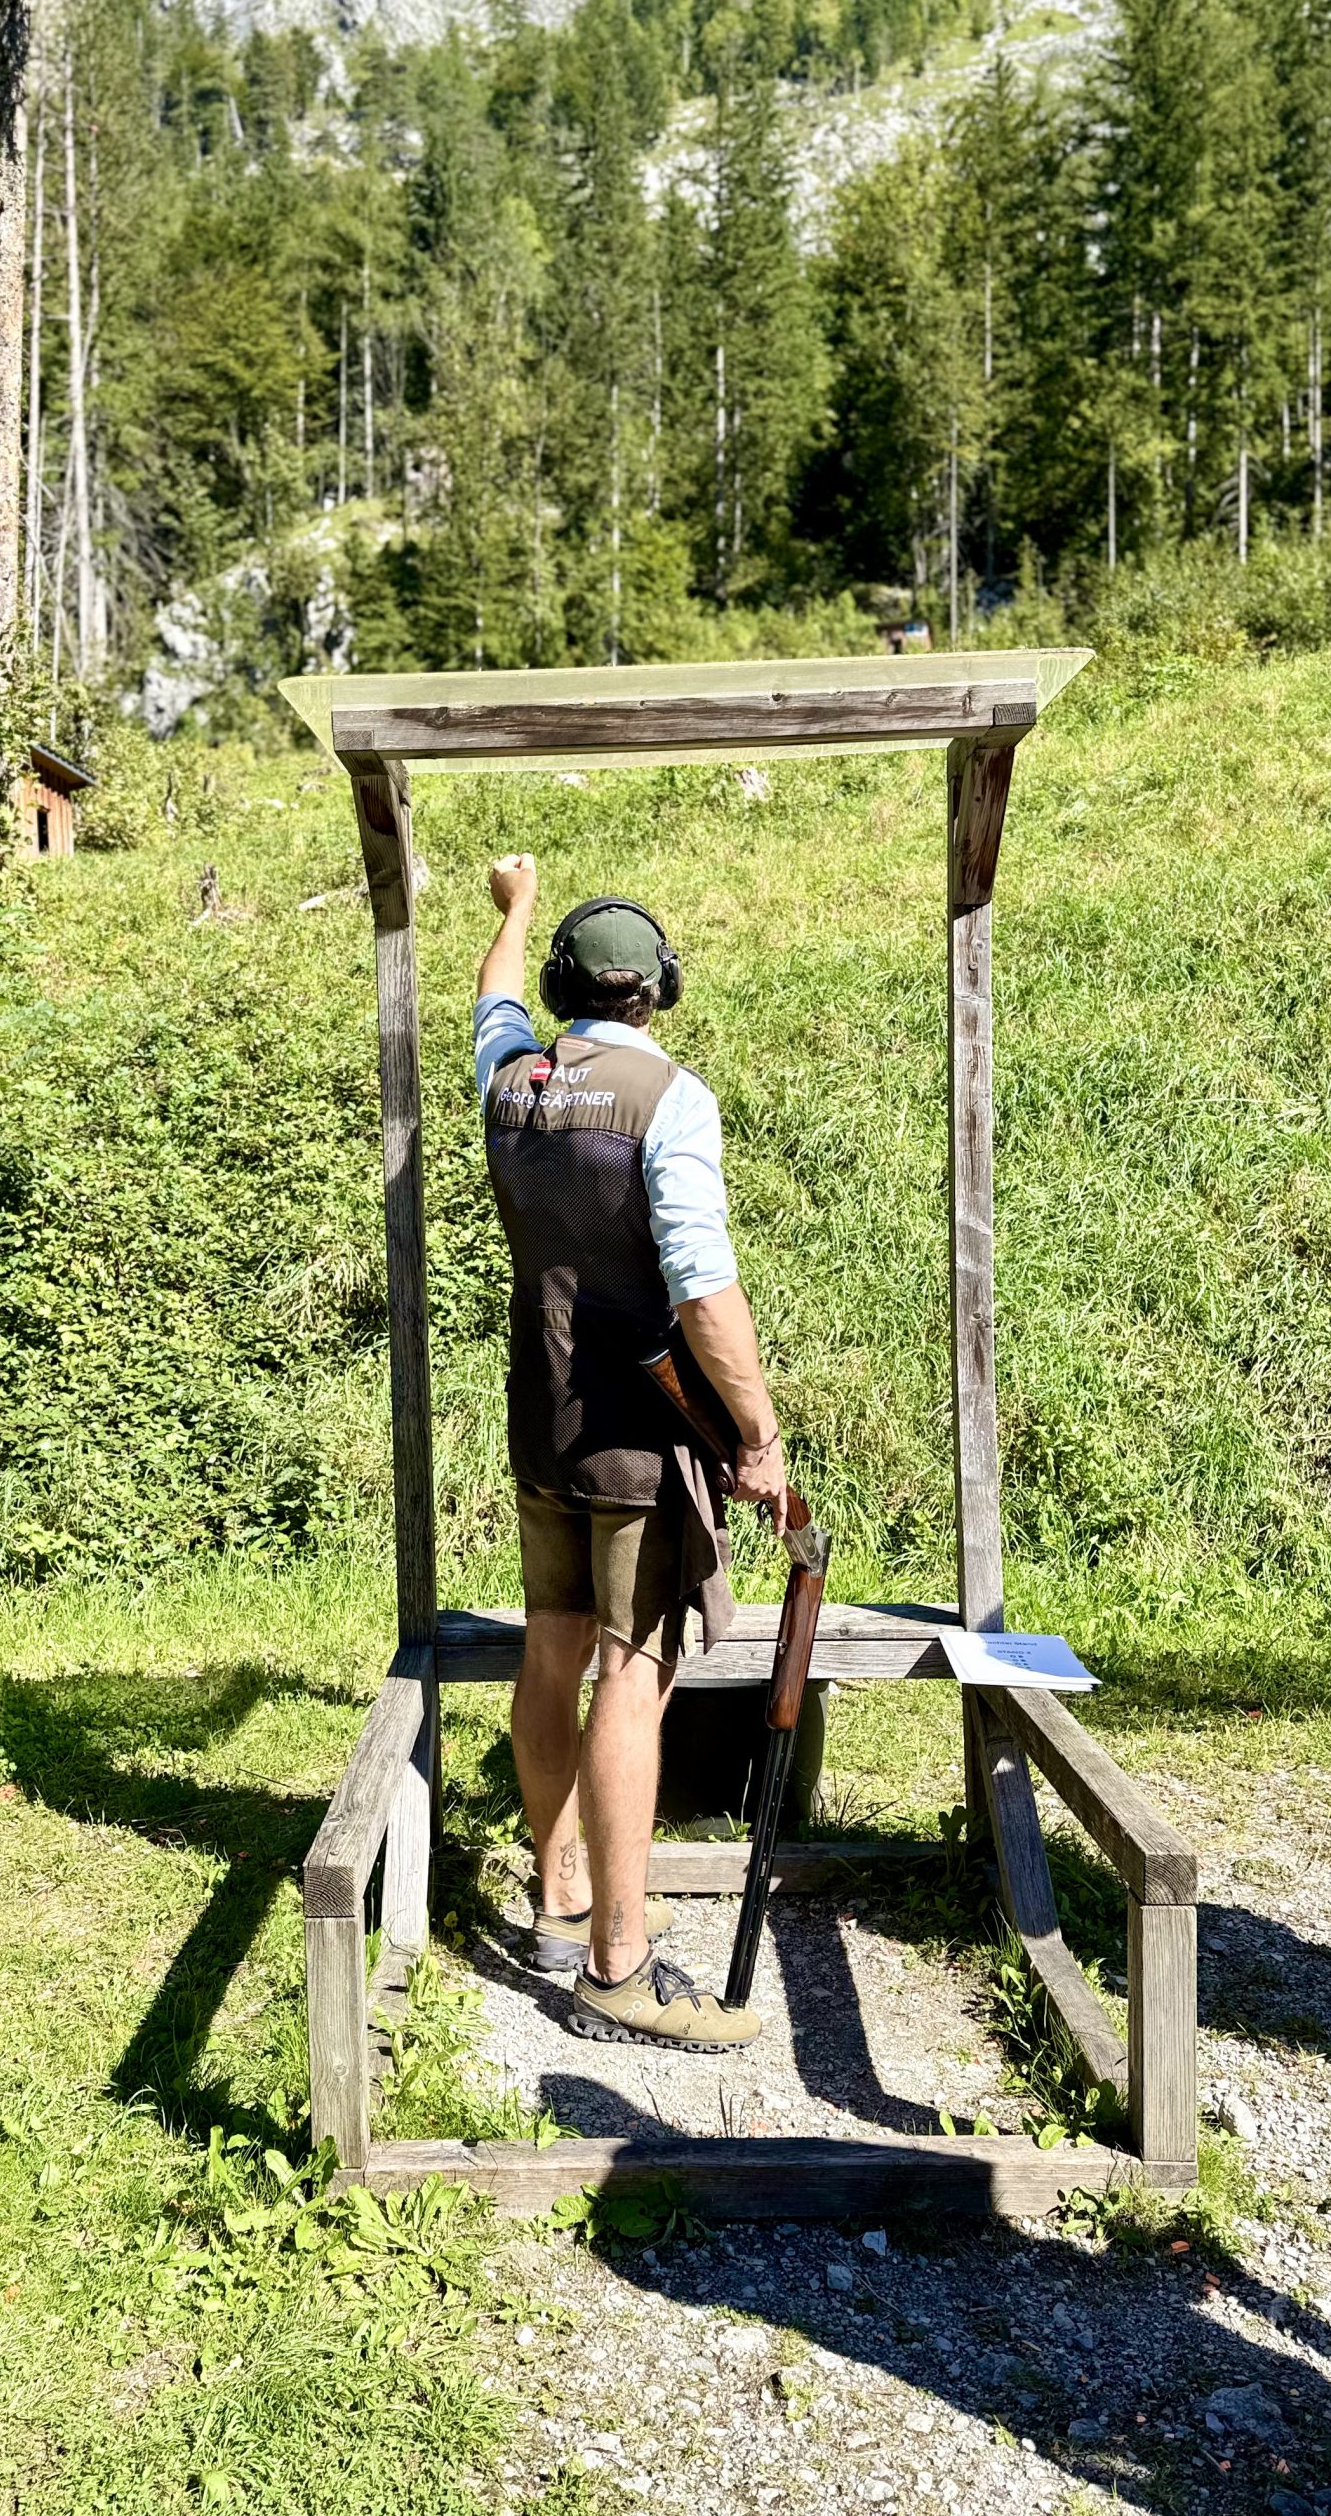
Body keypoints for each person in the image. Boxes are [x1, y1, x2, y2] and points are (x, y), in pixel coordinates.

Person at [476, 851, 790, 2051]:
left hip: (540, 1420)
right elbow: (702, 1289)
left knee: (552, 1646)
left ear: (565, 985)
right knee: (631, 1672)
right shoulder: (672, 1099)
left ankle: (560, 1897)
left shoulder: (511, 1079)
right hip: (638, 1439)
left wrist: (513, 907)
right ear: (656, 989)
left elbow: (492, 1001)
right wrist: (757, 1433)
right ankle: (616, 1964)